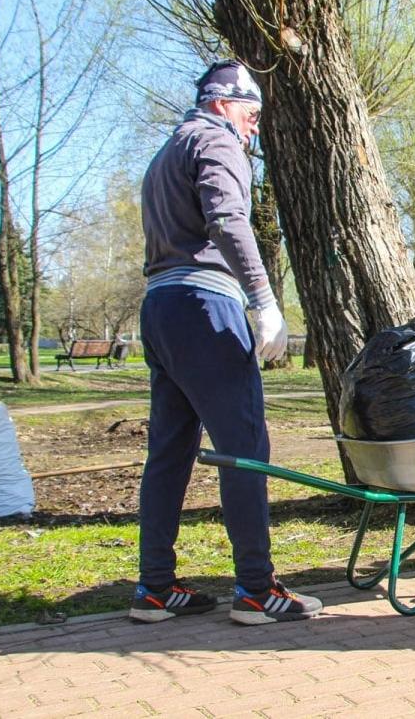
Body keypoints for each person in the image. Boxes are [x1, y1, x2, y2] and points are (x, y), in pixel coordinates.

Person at [131, 60, 322, 625]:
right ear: (222, 102)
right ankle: (257, 591)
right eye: (252, 113)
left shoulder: (166, 153)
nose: (254, 127)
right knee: (245, 446)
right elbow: (228, 219)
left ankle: (155, 587)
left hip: (160, 307)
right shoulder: (216, 142)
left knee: (169, 451)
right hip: (204, 307)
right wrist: (263, 299)